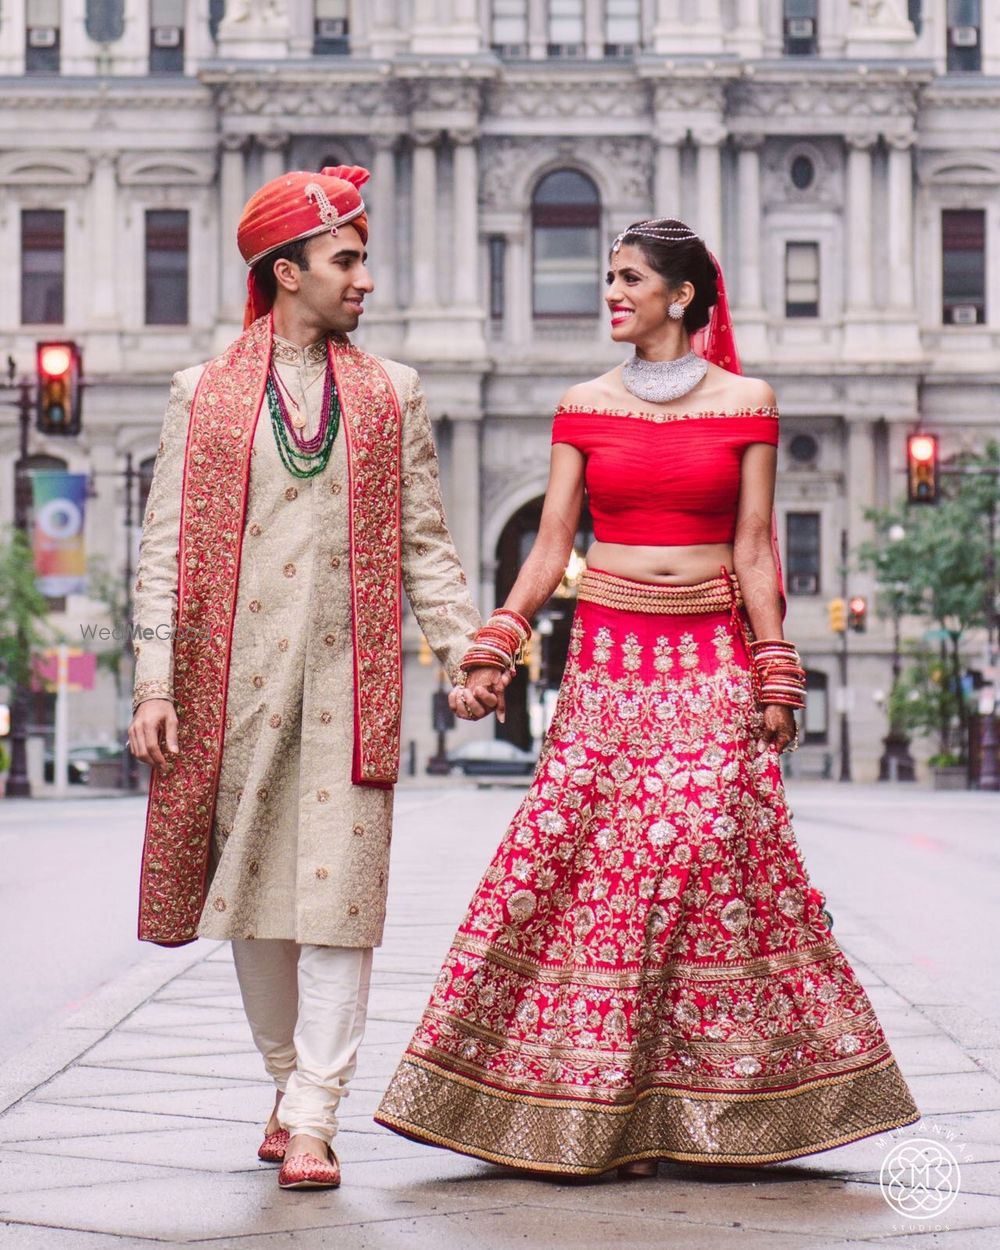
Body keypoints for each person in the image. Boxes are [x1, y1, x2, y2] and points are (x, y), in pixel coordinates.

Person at [375, 219, 921, 1177]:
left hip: (711, 652)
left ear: (683, 295)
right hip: (611, 659)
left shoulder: (749, 401)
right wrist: (494, 644)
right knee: (587, 857)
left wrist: (777, 665)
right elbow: (550, 545)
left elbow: (755, 546)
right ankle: (594, 1105)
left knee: (703, 849)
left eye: (629, 280)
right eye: (610, 278)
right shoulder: (583, 403)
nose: (612, 295)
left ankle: (720, 1100)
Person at [128, 165, 485, 1190]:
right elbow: (161, 551)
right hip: (229, 683)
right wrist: (156, 682)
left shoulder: (391, 393)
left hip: (351, 686)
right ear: (288, 273)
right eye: (346, 259)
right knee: (256, 909)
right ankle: (286, 1081)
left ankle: (318, 1110)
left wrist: (463, 649)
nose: (364, 277)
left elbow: (424, 542)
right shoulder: (201, 396)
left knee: (338, 901)